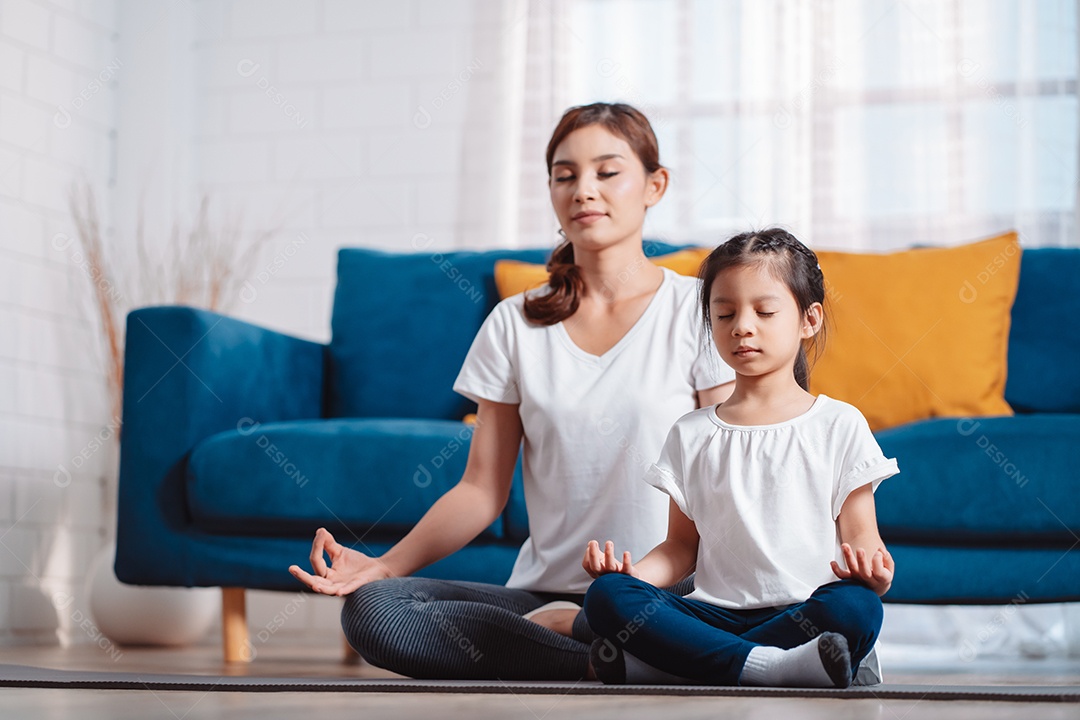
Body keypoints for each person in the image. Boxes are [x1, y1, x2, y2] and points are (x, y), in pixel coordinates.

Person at [288, 102, 735, 680]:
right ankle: (613, 654)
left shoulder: (699, 311)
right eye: (565, 175)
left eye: (607, 171)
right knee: (375, 612)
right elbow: (481, 490)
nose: (583, 190)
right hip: (545, 595)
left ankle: (601, 639)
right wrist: (385, 566)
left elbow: (724, 474)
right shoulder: (515, 322)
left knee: (690, 608)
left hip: (665, 592)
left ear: (655, 185)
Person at [580, 228, 898, 688]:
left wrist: (876, 574)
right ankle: (769, 665)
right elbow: (680, 549)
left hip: (803, 612)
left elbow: (862, 536)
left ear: (809, 320)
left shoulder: (839, 423)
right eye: (724, 313)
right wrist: (633, 575)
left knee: (856, 607)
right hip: (713, 613)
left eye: (764, 312)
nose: (742, 326)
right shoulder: (691, 432)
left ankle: (681, 664)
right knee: (607, 597)